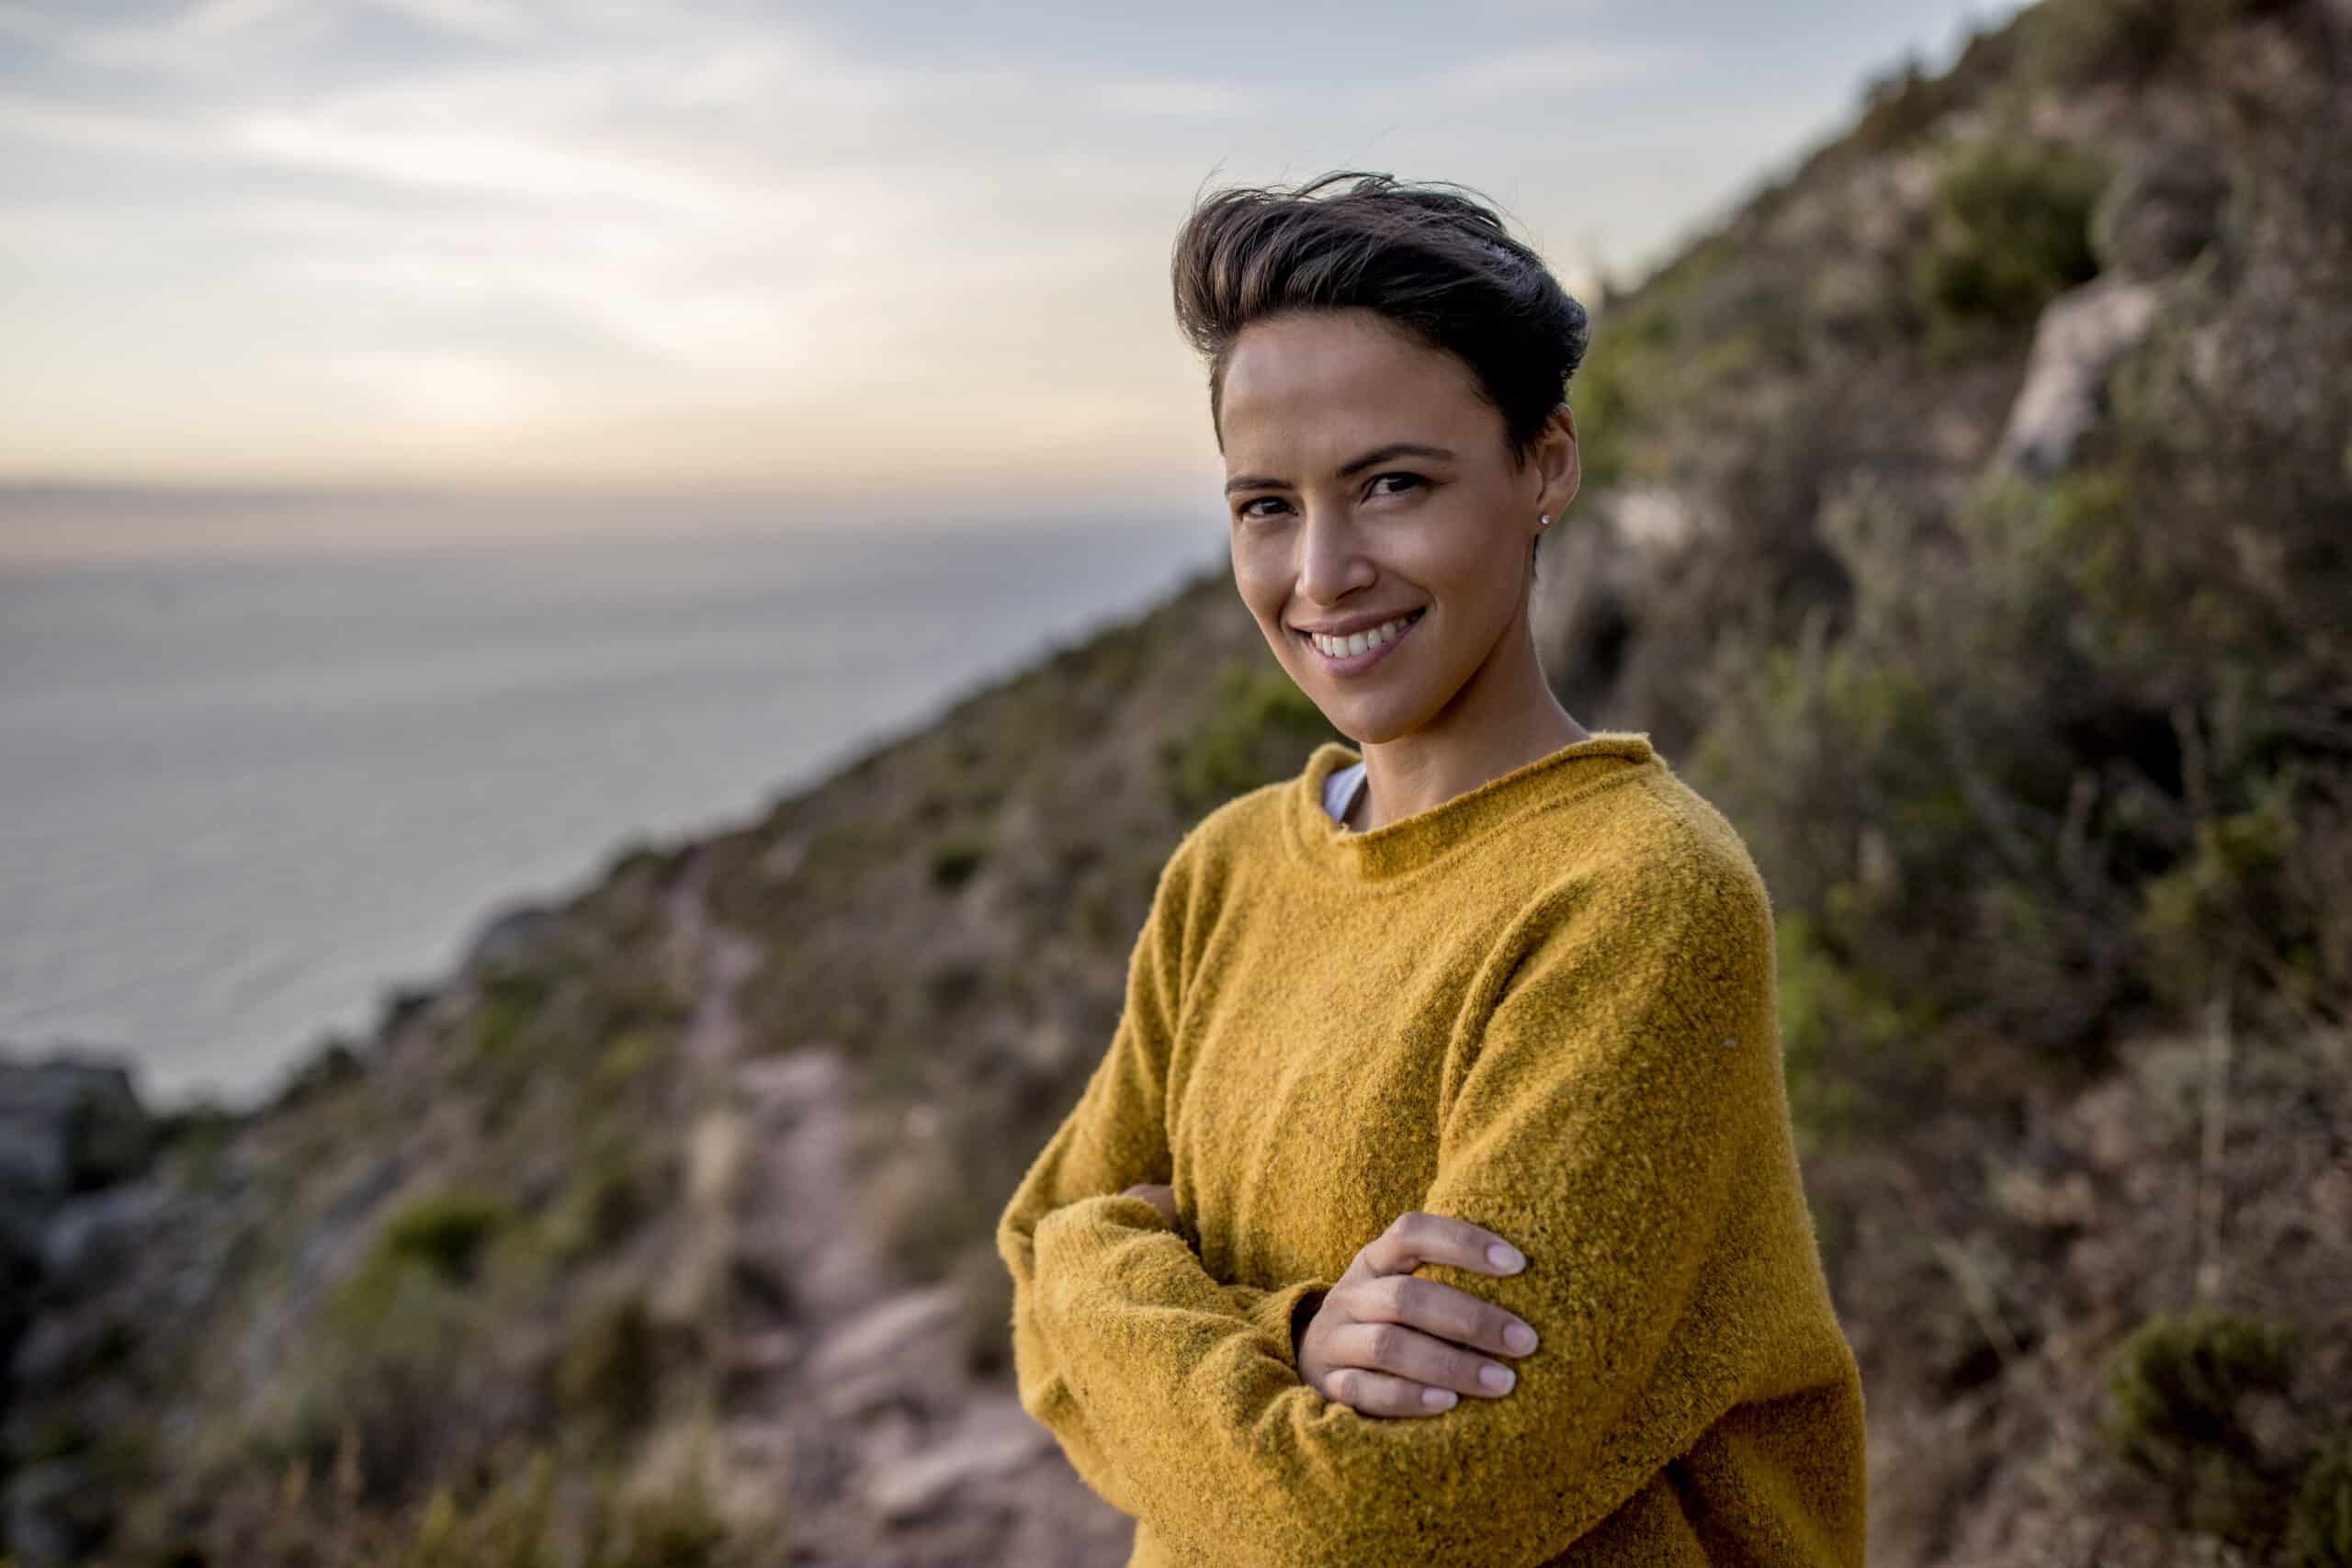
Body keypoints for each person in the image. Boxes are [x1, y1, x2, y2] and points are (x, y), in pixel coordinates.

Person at [994, 170, 1867, 1567]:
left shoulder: (1636, 899)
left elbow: (1388, 1519)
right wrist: (1283, 1338)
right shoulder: (1224, 874)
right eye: (1265, 506)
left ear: (1546, 465)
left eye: (1392, 484)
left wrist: (1106, 1275)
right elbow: (1033, 1287)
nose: (1322, 572)